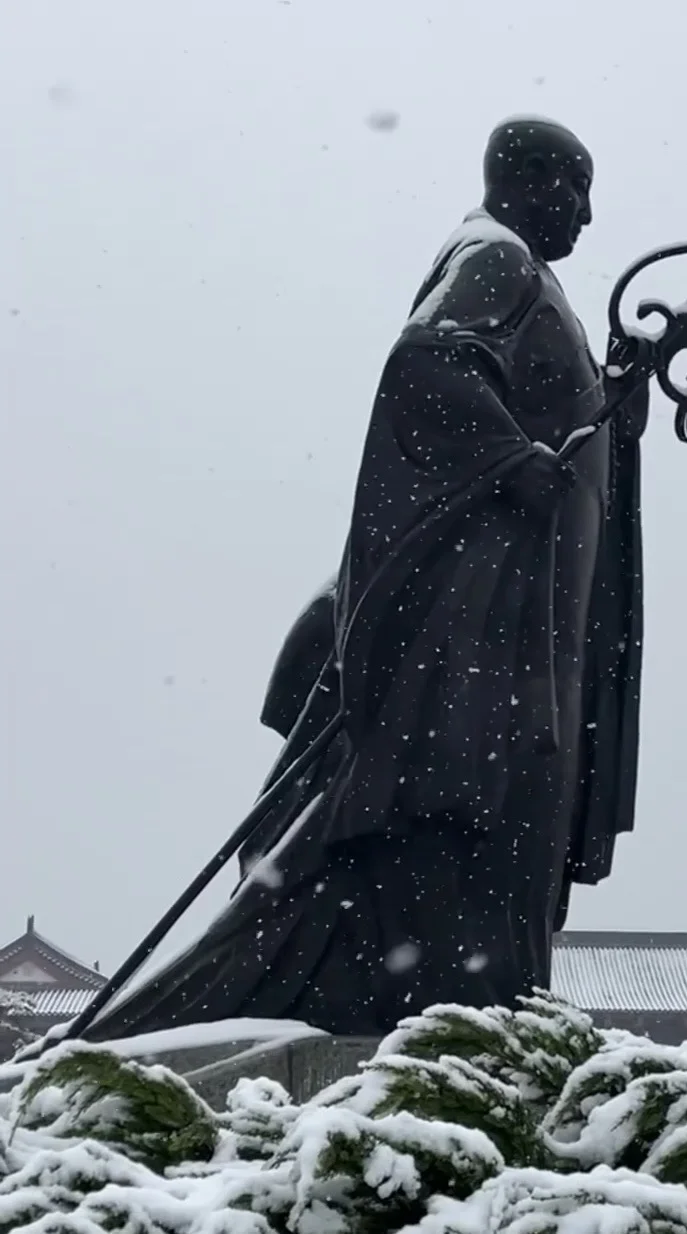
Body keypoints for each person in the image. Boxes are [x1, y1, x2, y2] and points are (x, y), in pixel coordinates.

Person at [84, 115, 649, 1041]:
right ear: (520, 180)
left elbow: (561, 425)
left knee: (507, 810)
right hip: (481, 632)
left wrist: (616, 393)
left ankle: (466, 1004)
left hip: (523, 632)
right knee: (470, 806)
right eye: (572, 187)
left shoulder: (531, 281)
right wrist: (513, 461)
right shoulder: (495, 259)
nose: (586, 214)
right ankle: (446, 1005)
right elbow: (425, 364)